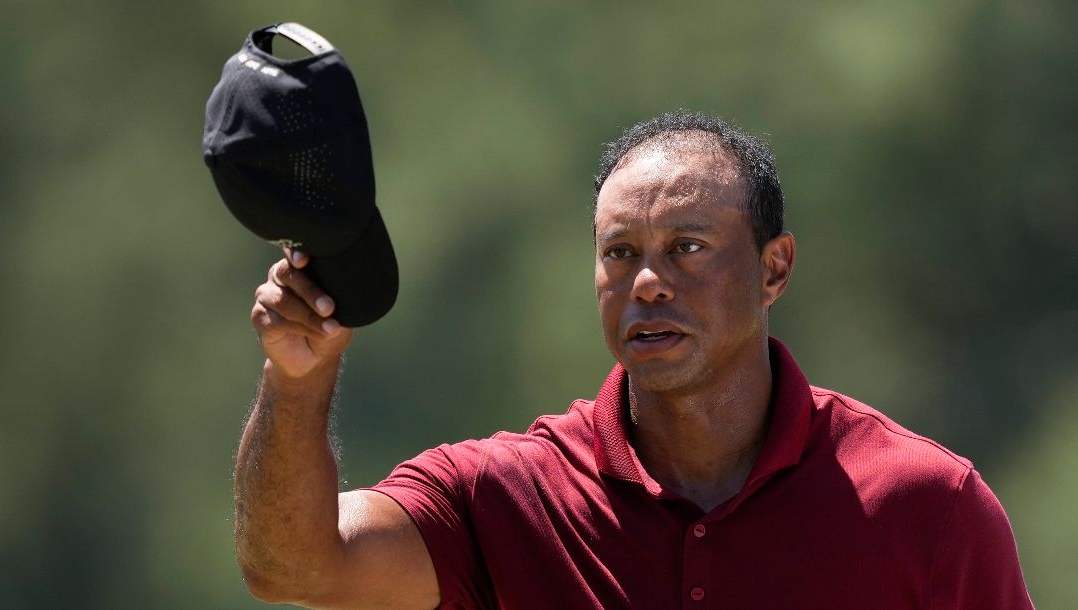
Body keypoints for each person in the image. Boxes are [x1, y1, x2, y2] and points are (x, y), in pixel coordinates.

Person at [234, 110, 1033, 609]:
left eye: (688, 248)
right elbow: (295, 569)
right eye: (620, 253)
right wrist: (298, 379)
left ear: (774, 269)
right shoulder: (506, 497)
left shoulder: (928, 506)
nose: (648, 282)